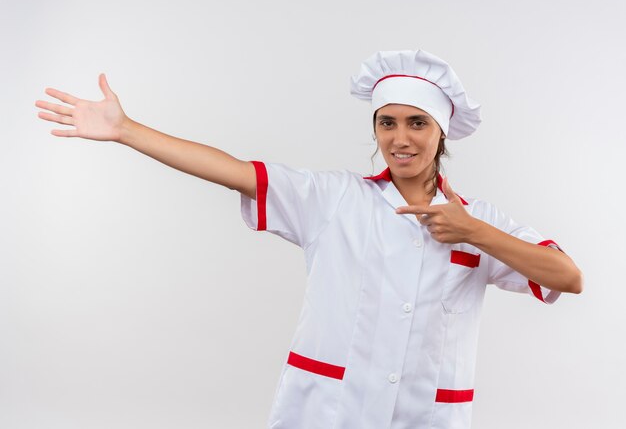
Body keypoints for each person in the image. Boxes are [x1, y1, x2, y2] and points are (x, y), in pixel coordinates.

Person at [35, 49, 583, 429]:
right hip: (329, 410)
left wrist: (474, 232)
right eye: (386, 123)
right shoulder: (334, 200)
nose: (400, 138)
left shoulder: (480, 221)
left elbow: (568, 277)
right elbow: (233, 170)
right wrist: (126, 130)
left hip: (427, 415)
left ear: (441, 131)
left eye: (417, 123)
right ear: (374, 129)